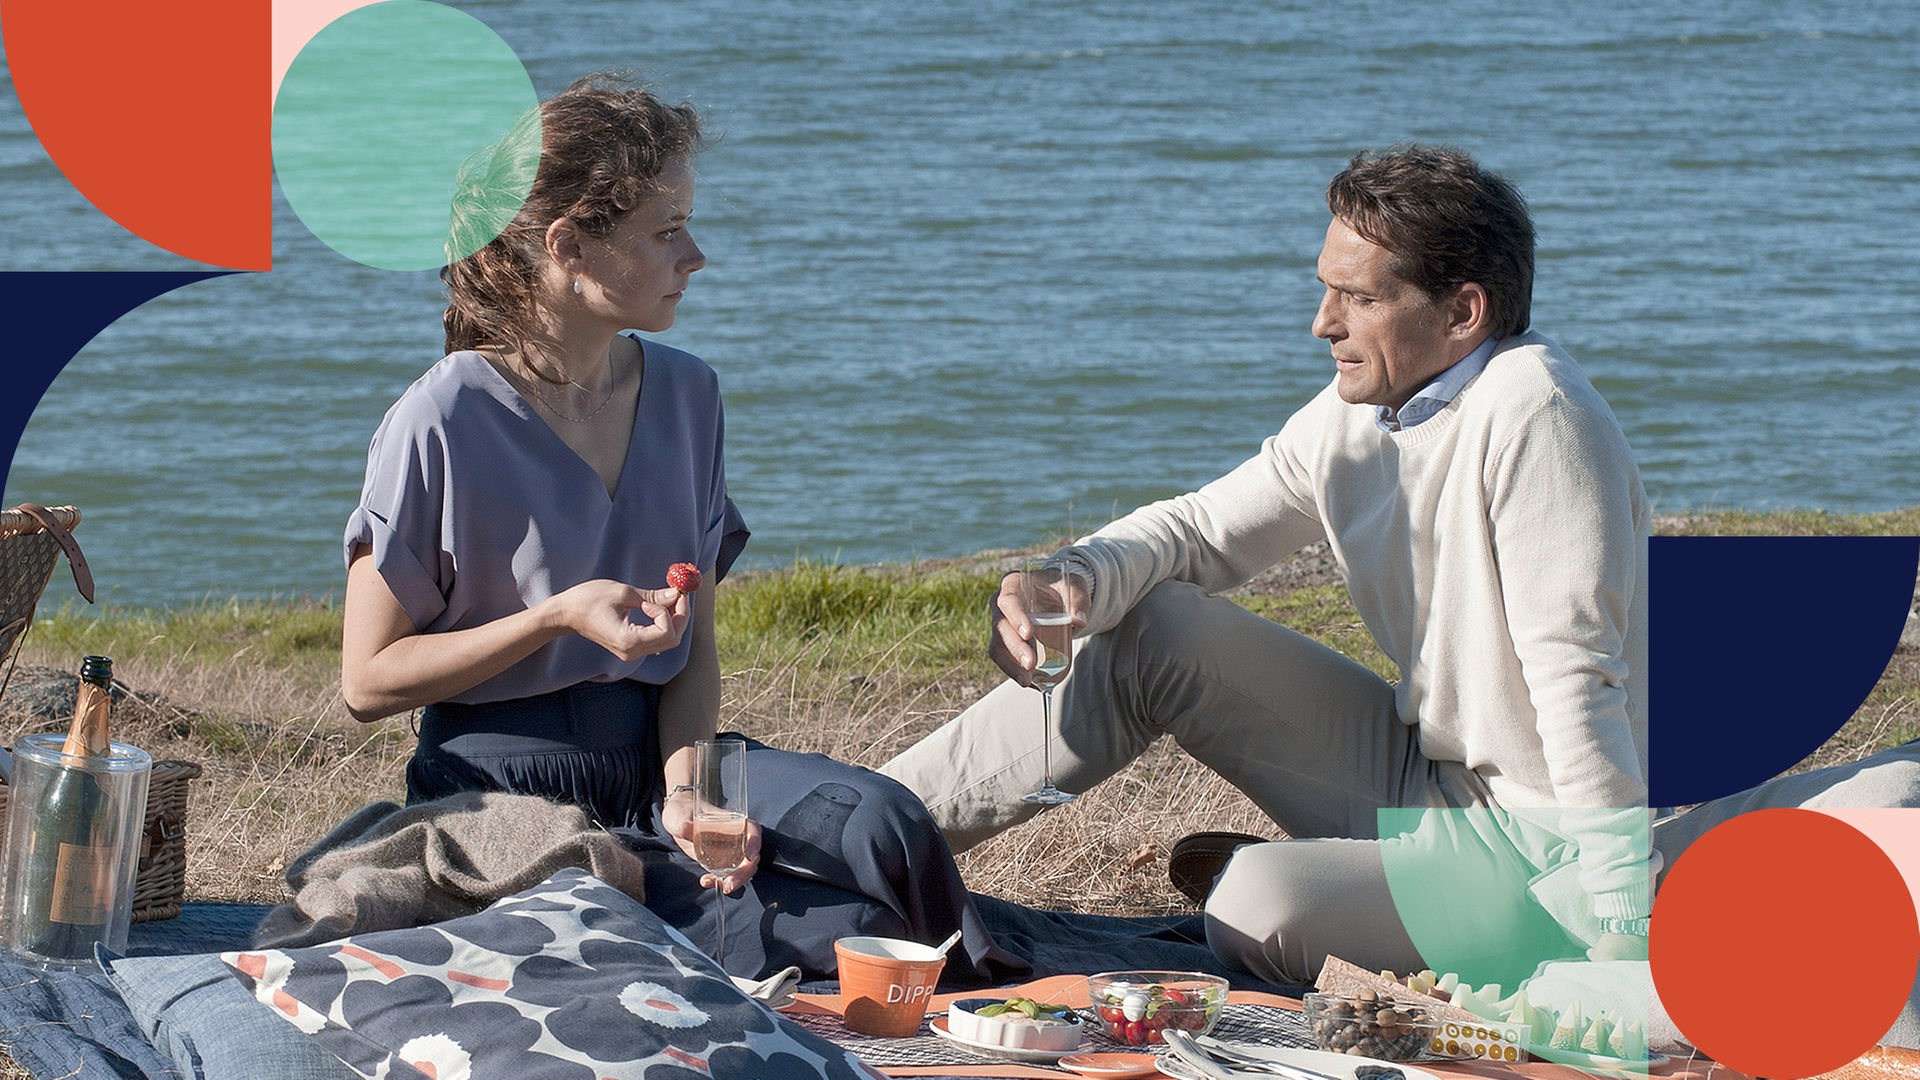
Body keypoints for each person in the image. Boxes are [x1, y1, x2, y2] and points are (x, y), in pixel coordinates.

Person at [887, 143, 1659, 990]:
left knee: (1257, 901)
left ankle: (1355, 896)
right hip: (1419, 778)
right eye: (1326, 288)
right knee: (1155, 624)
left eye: (1359, 298)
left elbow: (1580, 682)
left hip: (1540, 850)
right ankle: (850, 837)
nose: (1323, 323)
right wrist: (1071, 581)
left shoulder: (1539, 418)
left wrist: (1619, 926)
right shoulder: (1367, 412)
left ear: (1463, 312)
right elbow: (1200, 530)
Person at [339, 72, 1023, 985]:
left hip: (655, 765)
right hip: (496, 803)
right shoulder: (442, 418)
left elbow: (688, 648)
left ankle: (991, 1026)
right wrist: (553, 618)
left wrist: (691, 793)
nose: (695, 256)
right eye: (666, 233)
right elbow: (368, 680)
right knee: (814, 936)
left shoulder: (689, 395)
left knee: (884, 826)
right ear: (568, 245)